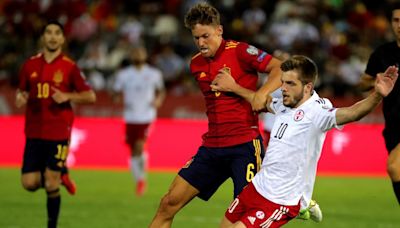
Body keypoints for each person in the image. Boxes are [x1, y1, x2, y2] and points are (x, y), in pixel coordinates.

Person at [211, 55, 398, 227]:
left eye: (290, 83)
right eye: (283, 82)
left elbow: (352, 112)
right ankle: (307, 204)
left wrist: (377, 95)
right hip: (257, 187)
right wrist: (233, 87)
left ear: (308, 87)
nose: (283, 88)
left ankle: (303, 203)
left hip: (280, 200)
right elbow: (261, 101)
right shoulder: (284, 104)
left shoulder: (317, 113)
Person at [149, 2, 283, 227]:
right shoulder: (195, 64)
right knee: (168, 203)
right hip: (212, 147)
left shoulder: (240, 51)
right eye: (196, 38)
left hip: (245, 147)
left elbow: (279, 67)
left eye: (205, 36)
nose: (201, 43)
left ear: (219, 30)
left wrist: (261, 94)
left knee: (246, 217)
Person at [15, 20, 96, 228]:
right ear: (43, 37)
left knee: (50, 182)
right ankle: (61, 174)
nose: (52, 36)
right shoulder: (29, 65)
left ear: (62, 38)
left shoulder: (69, 67)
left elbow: (90, 96)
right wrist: (20, 97)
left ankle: (52, 224)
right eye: (48, 32)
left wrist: (67, 95)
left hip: (59, 131)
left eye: (57, 33)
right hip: (33, 131)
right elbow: (22, 90)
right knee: (29, 184)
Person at [358, 3, 400, 205]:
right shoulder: (383, 53)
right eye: (396, 20)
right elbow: (362, 83)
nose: (399, 25)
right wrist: (377, 80)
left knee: (395, 166)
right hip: (393, 126)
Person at [113, 46, 165, 196]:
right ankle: (140, 179)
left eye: (140, 52)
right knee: (133, 151)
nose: (138, 54)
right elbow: (115, 91)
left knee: (139, 146)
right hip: (130, 116)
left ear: (145, 55)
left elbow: (161, 90)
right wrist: (116, 97)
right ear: (131, 56)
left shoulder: (154, 73)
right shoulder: (124, 74)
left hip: (146, 116)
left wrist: (158, 100)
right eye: (135, 52)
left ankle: (141, 180)